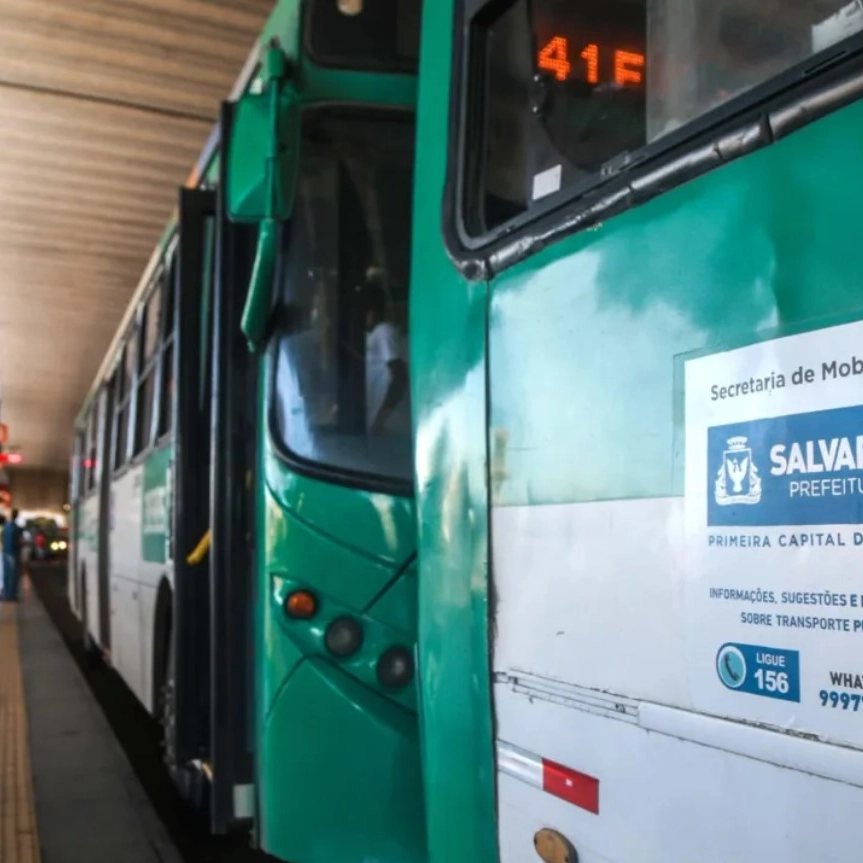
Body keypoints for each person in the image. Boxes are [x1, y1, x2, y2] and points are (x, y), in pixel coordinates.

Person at [364, 282, 410, 437]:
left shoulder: (384, 332)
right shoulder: (370, 336)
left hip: (390, 425)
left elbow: (400, 376)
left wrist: (380, 419)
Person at [3, 509, 21, 602]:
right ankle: (11, 596)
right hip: (13, 553)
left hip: (5, 552)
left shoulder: (6, 527)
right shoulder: (16, 528)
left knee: (6, 575)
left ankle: (6, 595)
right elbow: (18, 542)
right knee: (12, 576)